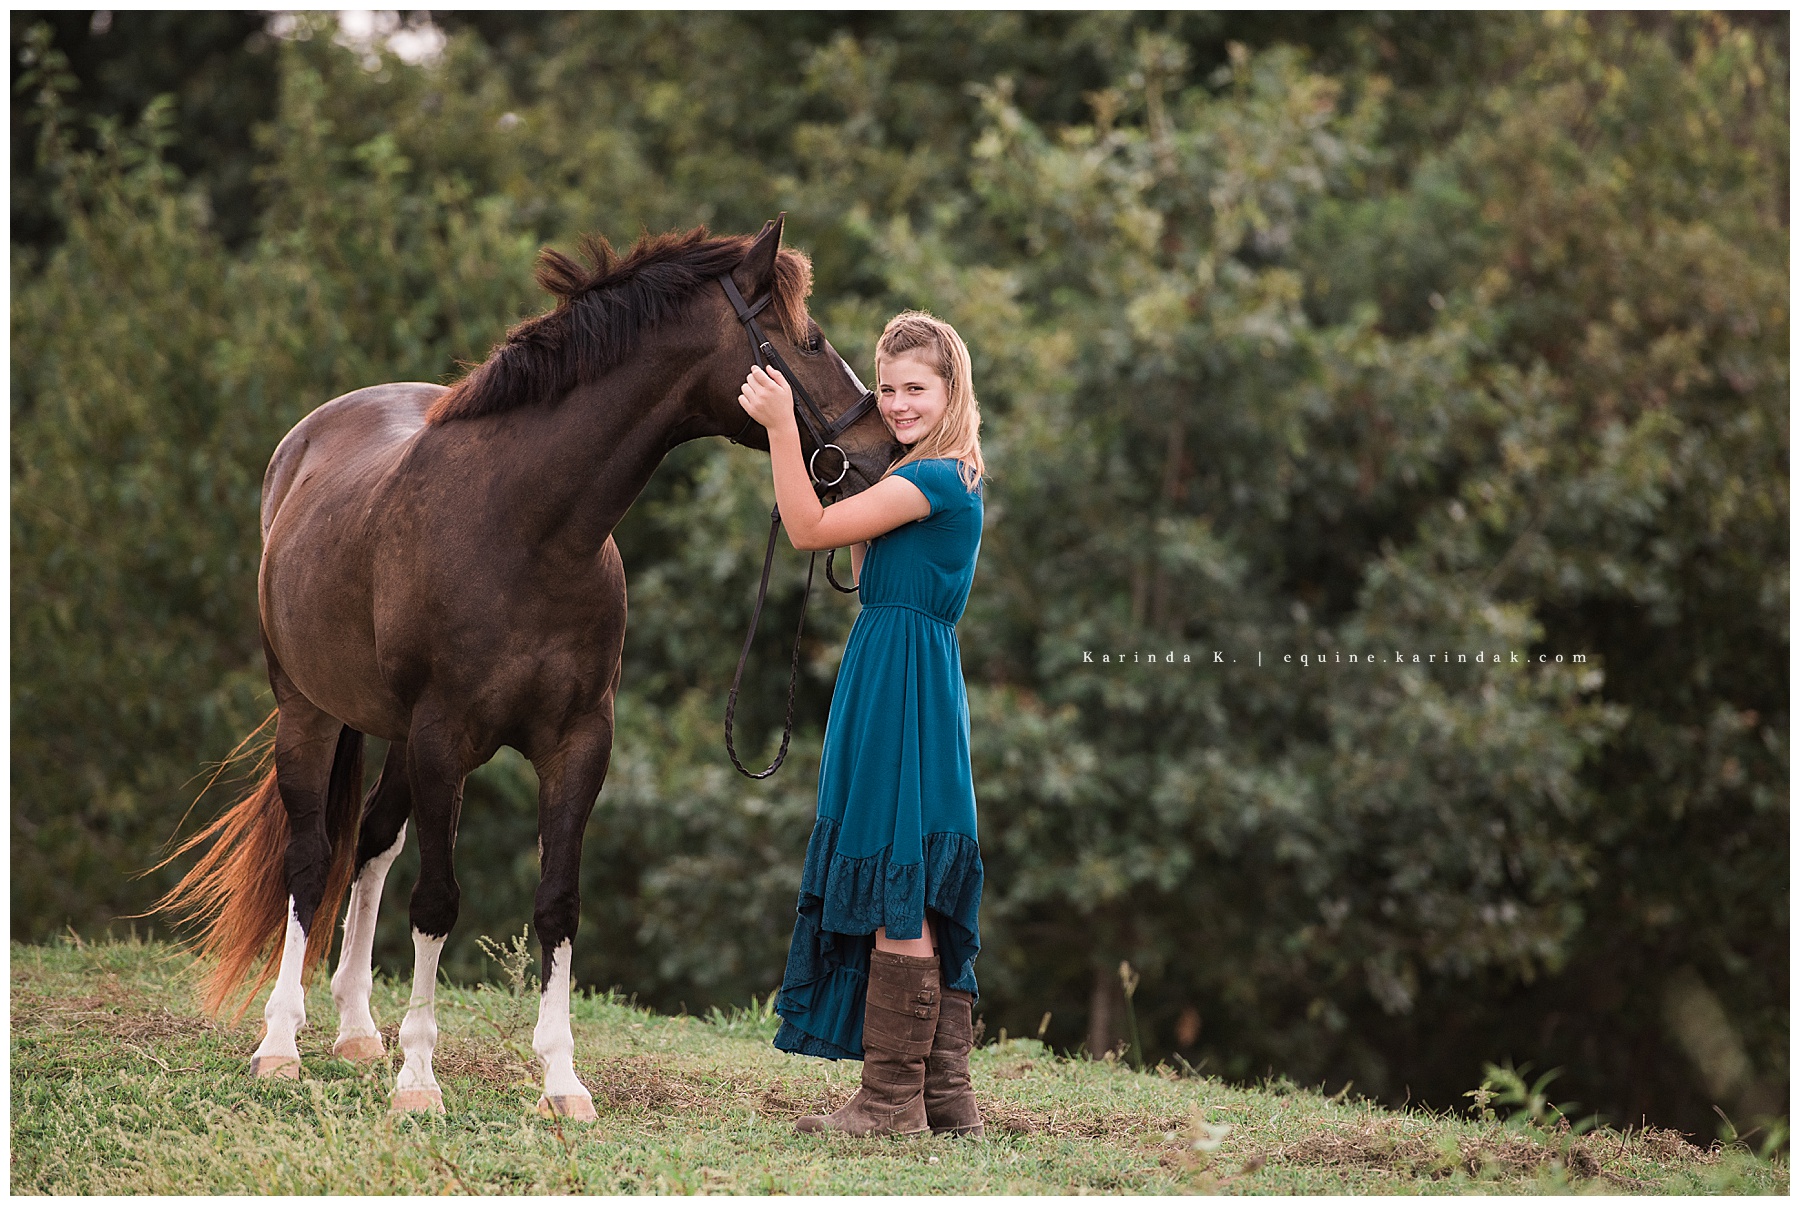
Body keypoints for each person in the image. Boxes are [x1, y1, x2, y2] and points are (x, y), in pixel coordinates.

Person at [734, 310, 988, 1139]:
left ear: (951, 392)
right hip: (899, 670)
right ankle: (944, 1099)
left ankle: (889, 1105)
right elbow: (854, 557)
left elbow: (808, 531)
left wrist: (779, 426)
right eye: (887, 388)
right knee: (904, 866)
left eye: (916, 388)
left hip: (901, 680)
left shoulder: (938, 479)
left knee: (897, 881)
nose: (899, 402)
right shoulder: (919, 477)